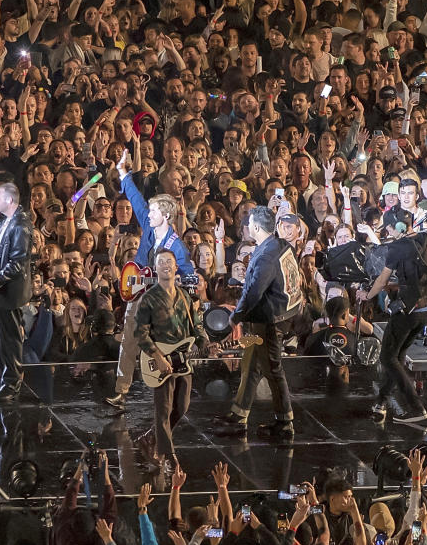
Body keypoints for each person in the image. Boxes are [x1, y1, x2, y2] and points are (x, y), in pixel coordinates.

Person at [105, 143, 195, 408]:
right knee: (129, 340)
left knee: (166, 343)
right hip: (138, 292)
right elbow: (133, 197)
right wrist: (123, 173)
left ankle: (170, 389)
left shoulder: (176, 245)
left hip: (163, 300)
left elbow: (189, 275)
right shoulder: (147, 221)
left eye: (154, 211)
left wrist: (188, 280)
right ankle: (121, 391)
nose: (148, 214)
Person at [214, 205, 302, 437]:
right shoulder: (280, 244)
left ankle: (285, 421)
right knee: (251, 363)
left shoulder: (265, 256)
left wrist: (236, 316)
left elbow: (254, 292)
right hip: (274, 316)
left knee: (273, 368)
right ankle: (239, 413)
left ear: (254, 227)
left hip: (269, 322)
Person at [133, 248, 211, 471]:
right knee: (163, 409)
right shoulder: (148, 299)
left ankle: (150, 436)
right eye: (161, 262)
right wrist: (157, 356)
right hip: (161, 362)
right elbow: (140, 333)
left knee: (182, 406)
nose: (166, 265)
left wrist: (204, 342)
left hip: (183, 360)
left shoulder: (185, 297)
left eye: (170, 261)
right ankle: (168, 455)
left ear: (176, 267)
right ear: (155, 268)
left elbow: (196, 326)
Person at [357, 230, 427, 427]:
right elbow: (416, 277)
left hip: (408, 310)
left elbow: (381, 280)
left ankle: (416, 408)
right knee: (398, 355)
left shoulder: (396, 248)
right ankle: (381, 401)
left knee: (387, 357)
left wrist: (367, 295)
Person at [0, 182, 33, 403]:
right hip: (3, 292)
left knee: (10, 341)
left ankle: (11, 384)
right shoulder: (9, 221)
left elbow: (17, 263)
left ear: (9, 200)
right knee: (1, 341)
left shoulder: (21, 225)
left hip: (10, 293)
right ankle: (2, 381)